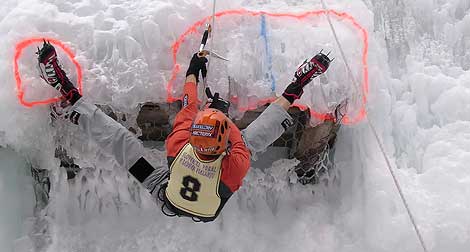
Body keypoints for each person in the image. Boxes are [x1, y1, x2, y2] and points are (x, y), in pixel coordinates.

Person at [36, 40, 331, 222]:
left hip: (166, 192)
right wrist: (218, 106)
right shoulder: (235, 163)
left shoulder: (179, 144)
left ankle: (69, 96)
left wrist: (193, 69)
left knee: (121, 143)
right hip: (196, 193)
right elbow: (239, 135)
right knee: (256, 139)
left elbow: (189, 103)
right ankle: (297, 86)